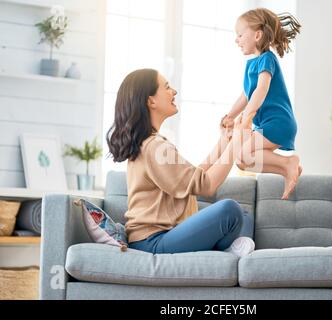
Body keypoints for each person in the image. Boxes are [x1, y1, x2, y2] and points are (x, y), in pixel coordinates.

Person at [106, 69, 255, 257]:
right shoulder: (155, 147)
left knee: (245, 217)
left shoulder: (151, 143)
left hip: (163, 237)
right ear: (150, 101)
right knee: (230, 210)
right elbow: (207, 185)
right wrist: (237, 142)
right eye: (167, 87)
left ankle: (225, 249)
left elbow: (193, 177)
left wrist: (224, 141)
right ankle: (226, 250)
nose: (174, 92)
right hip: (152, 242)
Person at [222, 8, 302, 200]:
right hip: (267, 123)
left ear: (257, 35)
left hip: (279, 122)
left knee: (243, 153)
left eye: (240, 35)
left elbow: (261, 90)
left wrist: (247, 116)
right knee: (241, 160)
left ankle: (289, 162)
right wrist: (230, 115)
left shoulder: (267, 59)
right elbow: (246, 95)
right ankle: (286, 167)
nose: (237, 40)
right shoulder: (251, 64)